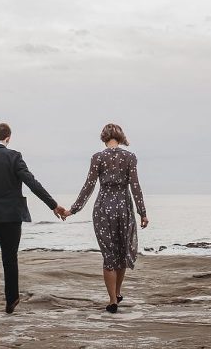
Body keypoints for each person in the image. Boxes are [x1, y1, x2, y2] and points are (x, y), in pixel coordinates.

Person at [0, 122, 67, 321]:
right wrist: (53, 205)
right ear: (8, 138)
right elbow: (32, 183)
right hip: (10, 217)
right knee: (9, 258)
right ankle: (11, 301)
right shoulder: (14, 157)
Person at [63, 123, 149, 313]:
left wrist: (73, 210)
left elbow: (89, 186)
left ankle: (112, 299)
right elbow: (135, 186)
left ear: (104, 137)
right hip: (124, 207)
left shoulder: (98, 157)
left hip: (103, 208)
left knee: (109, 255)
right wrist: (142, 212)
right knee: (122, 252)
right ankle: (117, 293)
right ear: (120, 137)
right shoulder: (130, 157)